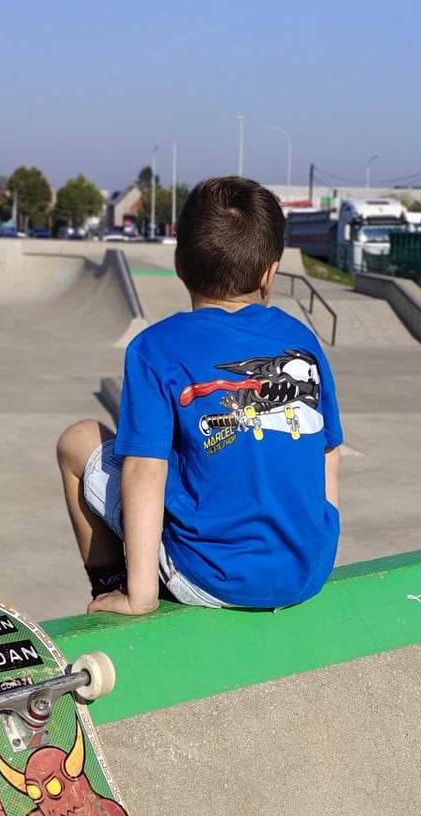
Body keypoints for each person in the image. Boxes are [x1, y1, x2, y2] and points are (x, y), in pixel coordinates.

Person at [55, 175, 342, 616]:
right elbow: (328, 452)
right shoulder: (301, 340)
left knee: (77, 440)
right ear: (271, 272)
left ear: (179, 263)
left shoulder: (155, 348)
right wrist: (317, 549)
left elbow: (144, 470)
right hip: (308, 571)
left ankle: (111, 587)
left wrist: (141, 594)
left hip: (209, 577)